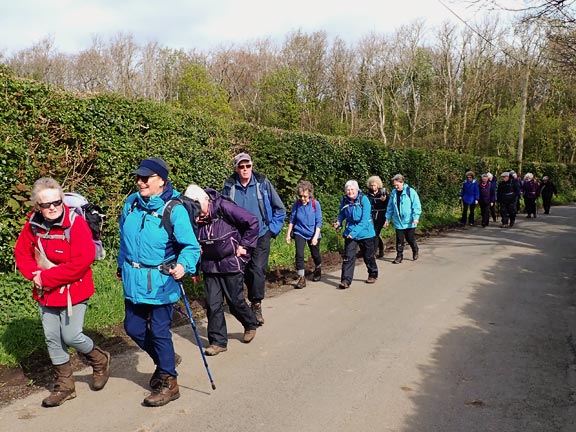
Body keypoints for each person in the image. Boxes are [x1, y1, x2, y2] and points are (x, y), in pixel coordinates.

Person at [14, 177, 110, 408]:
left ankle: (100, 359)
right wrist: (34, 275)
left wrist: (45, 277)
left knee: (71, 335)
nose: (53, 208)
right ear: (37, 206)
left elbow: (81, 263)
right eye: (46, 204)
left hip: (74, 289)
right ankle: (65, 386)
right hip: (45, 291)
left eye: (57, 202)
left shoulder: (75, 224)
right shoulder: (33, 224)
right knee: (52, 338)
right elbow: (22, 254)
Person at [118, 158, 200, 407]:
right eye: (138, 178)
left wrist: (184, 265)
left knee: (160, 331)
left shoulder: (174, 209)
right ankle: (166, 360)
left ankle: (169, 382)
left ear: (161, 180)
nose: (140, 182)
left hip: (161, 280)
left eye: (146, 178)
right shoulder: (131, 204)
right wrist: (121, 265)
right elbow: (124, 239)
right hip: (134, 279)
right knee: (133, 327)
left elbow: (190, 246)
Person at [184, 185, 259, 356]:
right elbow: (191, 244)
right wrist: (195, 270)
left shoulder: (224, 207)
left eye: (197, 204)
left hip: (231, 261)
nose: (195, 209)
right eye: (191, 206)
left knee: (235, 301)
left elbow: (252, 222)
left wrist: (244, 246)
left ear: (205, 200)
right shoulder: (193, 218)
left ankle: (250, 323)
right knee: (213, 304)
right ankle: (218, 342)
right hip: (210, 266)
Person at [222, 152, 286, 325]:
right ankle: (241, 304)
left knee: (257, 269)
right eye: (241, 166)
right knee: (243, 270)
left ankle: (256, 304)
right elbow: (223, 211)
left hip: (261, 234)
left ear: (252, 166)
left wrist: (272, 230)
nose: (245, 169)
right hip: (239, 237)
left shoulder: (262, 184)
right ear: (236, 168)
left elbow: (280, 208)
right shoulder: (229, 187)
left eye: (248, 166)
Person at [332, 180, 378, 289]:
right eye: (348, 190)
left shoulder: (364, 199)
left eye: (352, 189)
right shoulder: (344, 200)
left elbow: (364, 220)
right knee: (348, 257)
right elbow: (342, 213)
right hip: (350, 231)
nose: (350, 192)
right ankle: (346, 280)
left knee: (368, 256)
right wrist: (338, 222)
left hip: (366, 232)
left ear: (357, 190)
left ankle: (373, 273)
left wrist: (353, 233)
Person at [285, 180, 323, 289]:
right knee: (299, 254)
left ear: (310, 194)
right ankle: (301, 278)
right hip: (299, 232)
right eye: (300, 196)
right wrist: (288, 234)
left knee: (315, 254)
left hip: (313, 233)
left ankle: (318, 267)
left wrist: (315, 237)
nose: (302, 199)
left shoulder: (315, 204)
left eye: (305, 196)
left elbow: (319, 222)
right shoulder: (296, 204)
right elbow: (292, 220)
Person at [384, 174, 422, 264]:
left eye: (397, 185)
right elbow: (390, 207)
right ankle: (399, 256)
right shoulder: (393, 193)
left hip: (410, 220)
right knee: (399, 240)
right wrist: (387, 219)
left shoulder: (411, 192)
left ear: (402, 182)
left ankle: (415, 249)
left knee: (410, 238)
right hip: (398, 221)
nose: (396, 187)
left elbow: (416, 206)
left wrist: (416, 217)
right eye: (394, 185)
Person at [366, 176, 389, 258]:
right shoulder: (368, 193)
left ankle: (373, 252)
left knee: (375, 233)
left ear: (378, 185)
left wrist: (385, 200)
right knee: (373, 233)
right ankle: (381, 248)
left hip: (381, 215)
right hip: (371, 215)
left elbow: (389, 205)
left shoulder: (383, 192)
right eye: (371, 185)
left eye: (374, 185)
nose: (373, 187)